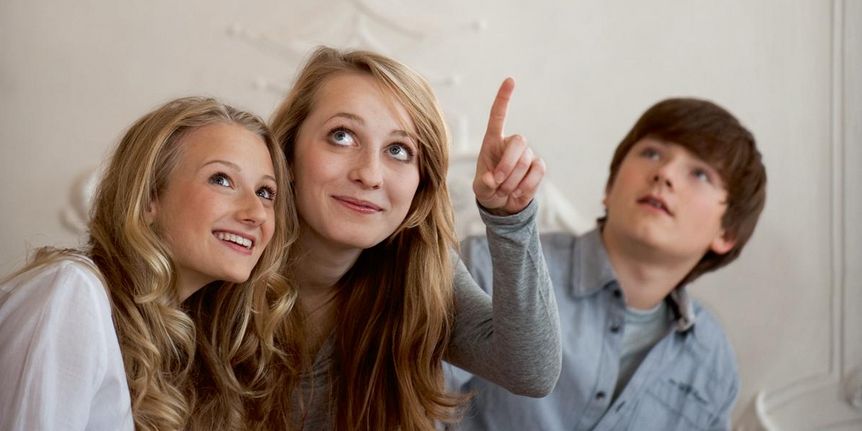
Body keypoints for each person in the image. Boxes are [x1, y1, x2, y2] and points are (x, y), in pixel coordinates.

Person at [259, 46, 562, 429]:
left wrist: (511, 219)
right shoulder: (227, 252)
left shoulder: (418, 273)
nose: (369, 175)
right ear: (287, 155)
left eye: (398, 150)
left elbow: (530, 370)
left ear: (421, 183)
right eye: (341, 136)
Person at [449, 98, 767, 430]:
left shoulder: (713, 361)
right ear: (609, 186)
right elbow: (417, 404)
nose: (665, 174)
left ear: (727, 233)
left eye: (700, 174)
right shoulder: (491, 264)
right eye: (652, 153)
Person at [0, 97, 297, 431]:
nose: (256, 212)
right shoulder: (72, 292)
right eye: (222, 179)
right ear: (149, 199)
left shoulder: (188, 351)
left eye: (266, 192)